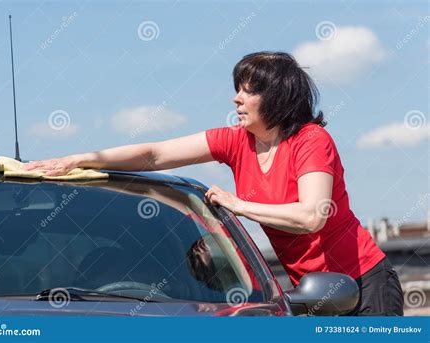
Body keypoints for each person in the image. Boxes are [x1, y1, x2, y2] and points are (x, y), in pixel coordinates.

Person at [23, 51, 403, 316]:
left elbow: (311, 216)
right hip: (309, 289)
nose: (236, 98)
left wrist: (238, 205)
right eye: (238, 87)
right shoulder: (235, 141)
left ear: (277, 97)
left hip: (362, 284)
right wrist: (78, 159)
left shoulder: (310, 141)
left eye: (248, 90)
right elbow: (154, 154)